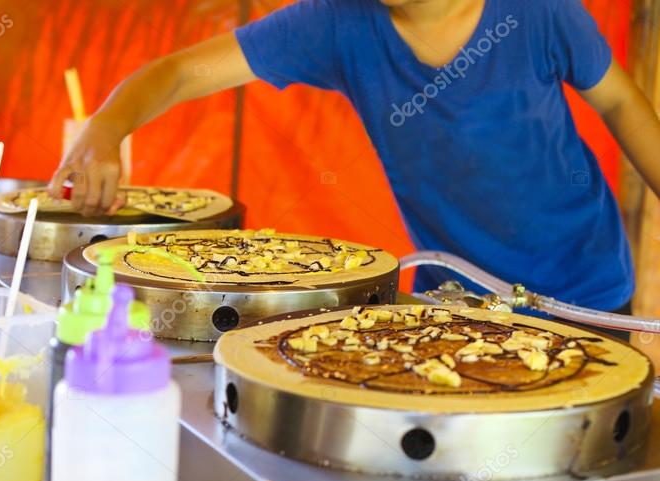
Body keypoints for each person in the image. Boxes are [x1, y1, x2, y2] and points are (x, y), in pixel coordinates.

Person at [49, 0, 660, 319]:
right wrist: (105, 127)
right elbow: (182, 73)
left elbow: (622, 105)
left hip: (591, 294)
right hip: (456, 304)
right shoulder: (338, 23)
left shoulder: (540, 13)